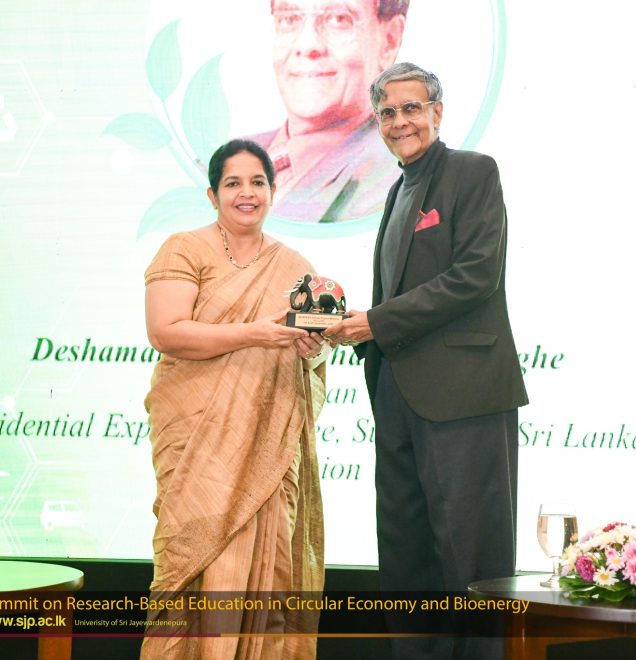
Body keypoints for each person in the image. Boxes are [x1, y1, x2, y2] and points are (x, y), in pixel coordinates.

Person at [324, 63, 528, 659]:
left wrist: (377, 322)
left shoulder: (473, 171)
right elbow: (400, 294)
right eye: (387, 112)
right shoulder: (396, 190)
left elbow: (475, 276)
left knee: (473, 559)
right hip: (397, 392)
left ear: (437, 112)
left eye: (411, 108)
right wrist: (356, 325)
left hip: (463, 396)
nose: (400, 122)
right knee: (405, 557)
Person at [140, 139, 329, 659]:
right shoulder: (184, 249)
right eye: (233, 183)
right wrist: (255, 333)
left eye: (258, 182)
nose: (247, 193)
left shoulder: (295, 266)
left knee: (271, 570)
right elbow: (166, 331)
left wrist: (311, 348)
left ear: (273, 190)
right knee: (194, 557)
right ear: (212, 194)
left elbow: (311, 354)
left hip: (269, 444)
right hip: (195, 436)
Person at [245, 0, 408, 222]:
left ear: (389, 41)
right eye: (289, 18)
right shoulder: (223, 158)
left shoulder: (393, 192)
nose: (306, 45)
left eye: (338, 19)